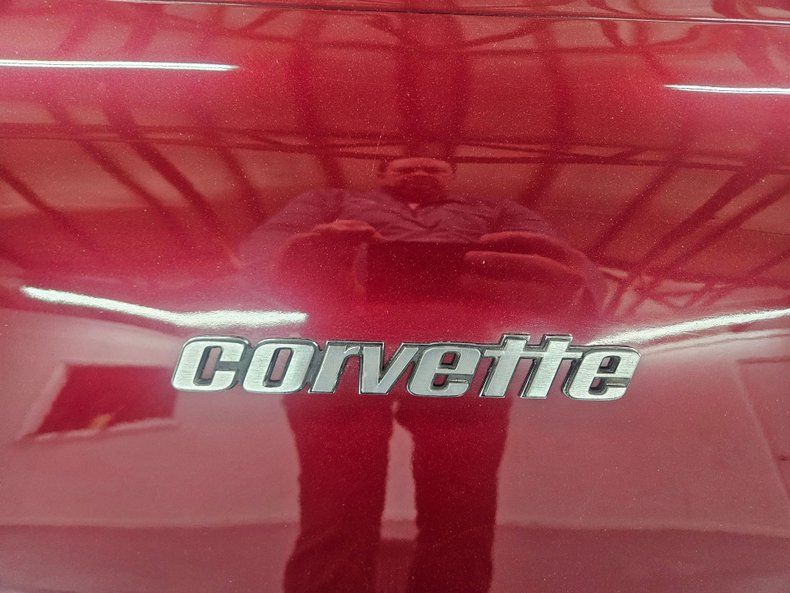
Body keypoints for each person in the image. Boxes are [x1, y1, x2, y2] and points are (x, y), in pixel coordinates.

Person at [241, 156, 604, 593]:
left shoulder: (498, 211)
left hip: (452, 351)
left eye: (433, 169)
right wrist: (288, 273)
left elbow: (558, 254)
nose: (420, 174)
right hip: (352, 347)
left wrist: (578, 297)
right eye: (407, 167)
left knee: (461, 506)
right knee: (335, 501)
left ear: (452, 175)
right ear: (381, 172)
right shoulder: (330, 201)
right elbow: (269, 244)